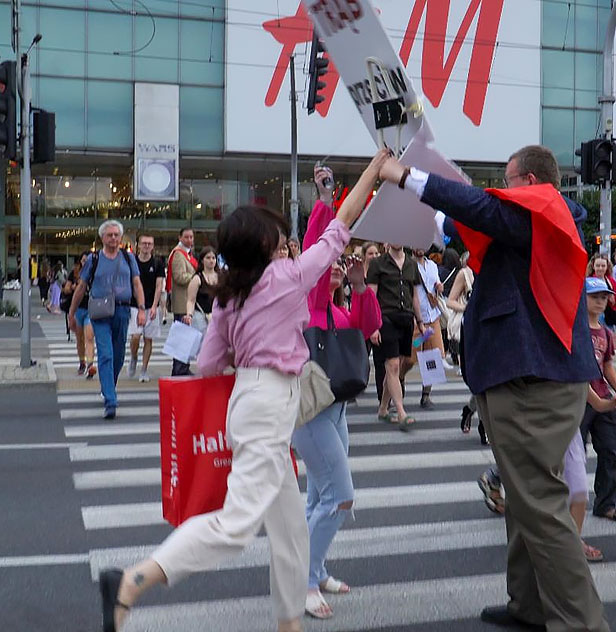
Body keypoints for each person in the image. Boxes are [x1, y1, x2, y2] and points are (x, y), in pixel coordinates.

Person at [97, 149, 390, 632]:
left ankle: (289, 623)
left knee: (292, 532)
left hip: (250, 402)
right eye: (277, 234)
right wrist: (373, 171)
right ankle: (131, 581)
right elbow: (341, 224)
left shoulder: (231, 295)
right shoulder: (287, 278)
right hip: (270, 404)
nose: (285, 240)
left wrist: (247, 346)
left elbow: (209, 363)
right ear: (265, 243)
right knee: (235, 527)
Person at [379, 145, 608, 631]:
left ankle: (582, 623)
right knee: (526, 498)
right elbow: (459, 223)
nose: (502, 191)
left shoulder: (543, 211)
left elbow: (478, 208)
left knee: (540, 505)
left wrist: (407, 176)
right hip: (526, 379)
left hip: (532, 382)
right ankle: (528, 603)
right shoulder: (527, 223)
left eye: (507, 181)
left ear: (529, 182)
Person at [293, 165, 381, 620]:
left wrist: (362, 283)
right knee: (340, 496)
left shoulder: (341, 312)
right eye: (327, 268)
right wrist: (326, 198)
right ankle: (304, 581)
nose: (333, 272)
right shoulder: (308, 301)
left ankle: (316, 567)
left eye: (337, 271)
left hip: (337, 411)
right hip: (309, 412)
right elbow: (317, 243)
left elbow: (370, 328)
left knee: (319, 496)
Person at [69, 220, 146, 420]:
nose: (113, 238)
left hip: (122, 310)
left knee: (119, 355)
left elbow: (137, 284)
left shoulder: (129, 258)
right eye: (109, 235)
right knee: (106, 354)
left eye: (116, 235)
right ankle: (110, 401)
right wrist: (72, 312)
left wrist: (141, 309)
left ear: (121, 238)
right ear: (102, 238)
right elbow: (81, 287)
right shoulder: (93, 259)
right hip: (100, 312)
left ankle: (107, 385)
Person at [367, 245, 424, 429]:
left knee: (396, 367)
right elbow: (371, 297)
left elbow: (415, 295)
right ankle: (401, 412)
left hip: (406, 318)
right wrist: (373, 325)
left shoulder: (411, 264)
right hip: (385, 318)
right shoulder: (378, 263)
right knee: (392, 365)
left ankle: (383, 409)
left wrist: (420, 320)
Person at [581, 276, 616, 523]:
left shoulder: (606, 332)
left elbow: (607, 366)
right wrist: (598, 401)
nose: (600, 301)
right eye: (594, 297)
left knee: (611, 449)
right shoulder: (576, 331)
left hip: (602, 396)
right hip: (580, 400)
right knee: (571, 454)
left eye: (604, 297)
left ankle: (605, 502)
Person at [407, 247, 454, 410]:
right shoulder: (408, 265)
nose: (419, 248)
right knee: (410, 358)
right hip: (415, 320)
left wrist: (439, 286)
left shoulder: (433, 266)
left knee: (433, 357)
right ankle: (396, 384)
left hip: (432, 318)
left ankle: (425, 396)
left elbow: (436, 285)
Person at [128, 234, 165, 383]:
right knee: (135, 336)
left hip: (151, 306)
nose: (147, 246)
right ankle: (134, 356)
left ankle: (144, 369)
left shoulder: (157, 263)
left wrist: (155, 306)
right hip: (134, 305)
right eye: (144, 243)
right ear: (138, 245)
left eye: (150, 243)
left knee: (148, 339)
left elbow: (158, 286)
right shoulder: (132, 262)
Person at [167, 227, 198, 375]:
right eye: (186, 237)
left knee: (185, 339)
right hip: (182, 302)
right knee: (181, 339)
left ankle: (182, 367)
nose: (189, 240)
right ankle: (179, 369)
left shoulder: (187, 254)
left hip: (187, 301)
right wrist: (197, 279)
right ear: (180, 238)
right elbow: (179, 276)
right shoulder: (179, 255)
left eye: (191, 237)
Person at [64, 252, 96, 378]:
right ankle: (82, 362)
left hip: (91, 309)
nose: (85, 263)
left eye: (87, 260)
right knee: (79, 339)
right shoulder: (75, 273)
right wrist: (73, 287)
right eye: (83, 260)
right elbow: (66, 288)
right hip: (78, 309)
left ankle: (90, 364)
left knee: (89, 337)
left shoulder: (95, 273)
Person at [183, 246, 218, 332]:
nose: (211, 260)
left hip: (217, 315)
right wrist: (189, 315)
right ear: (202, 260)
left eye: (213, 258)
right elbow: (191, 300)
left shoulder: (221, 277)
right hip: (201, 317)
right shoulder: (197, 278)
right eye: (208, 258)